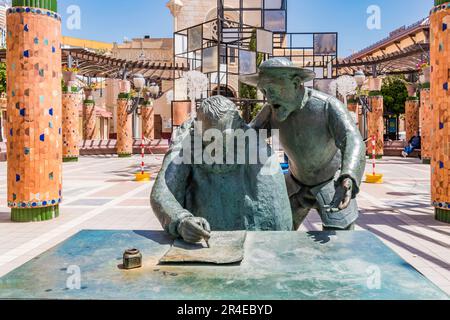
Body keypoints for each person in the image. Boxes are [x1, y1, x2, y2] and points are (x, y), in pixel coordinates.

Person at [241, 57, 367, 231]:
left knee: (340, 240)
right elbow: (249, 136)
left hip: (331, 184)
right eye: (264, 91)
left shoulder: (327, 107)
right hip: (295, 185)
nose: (269, 99)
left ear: (295, 83)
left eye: (273, 90)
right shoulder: (271, 112)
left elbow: (352, 140)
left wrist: (349, 175)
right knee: (274, 230)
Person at [151, 96, 293, 244]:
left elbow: (277, 215)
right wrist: (181, 220)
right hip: (201, 244)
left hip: (246, 241)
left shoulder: (254, 146)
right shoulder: (186, 140)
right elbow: (162, 193)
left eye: (223, 136)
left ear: (238, 127)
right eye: (209, 137)